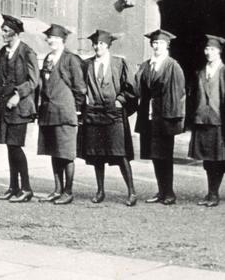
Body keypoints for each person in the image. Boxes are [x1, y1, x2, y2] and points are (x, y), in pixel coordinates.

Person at [81, 30, 138, 206]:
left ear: (108, 46)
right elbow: (81, 86)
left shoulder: (119, 64)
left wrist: (121, 100)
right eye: (96, 44)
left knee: (120, 153)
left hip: (114, 115)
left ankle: (131, 192)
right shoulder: (87, 65)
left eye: (102, 44)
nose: (98, 47)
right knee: (97, 154)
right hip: (94, 114)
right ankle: (100, 191)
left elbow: (131, 88)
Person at [0, 14, 39, 203]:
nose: (2, 34)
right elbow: (2, 77)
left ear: (15, 33)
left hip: (20, 108)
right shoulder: (2, 53)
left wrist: (18, 95)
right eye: (2, 31)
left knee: (16, 147)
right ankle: (13, 187)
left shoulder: (28, 53)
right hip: (4, 107)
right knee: (10, 148)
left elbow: (33, 81)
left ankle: (26, 188)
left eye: (6, 31)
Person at [134, 29, 186, 205]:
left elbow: (179, 92)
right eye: (154, 43)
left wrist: (174, 116)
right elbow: (139, 88)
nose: (157, 46)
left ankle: (169, 192)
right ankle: (161, 190)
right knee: (155, 155)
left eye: (160, 43)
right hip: (149, 116)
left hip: (165, 116)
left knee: (165, 155)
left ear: (167, 45)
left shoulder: (173, 66)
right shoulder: (146, 65)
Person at [37, 24, 86, 205]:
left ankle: (68, 191)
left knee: (66, 153)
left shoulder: (70, 59)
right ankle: (57, 189)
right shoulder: (48, 58)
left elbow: (80, 87)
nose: (52, 41)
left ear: (63, 40)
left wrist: (77, 108)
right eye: (49, 38)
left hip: (65, 112)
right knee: (53, 151)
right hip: (49, 112)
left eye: (56, 38)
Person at [188, 35, 225, 207]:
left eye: (212, 50)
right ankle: (210, 193)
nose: (208, 53)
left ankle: (214, 194)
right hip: (202, 121)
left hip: (219, 123)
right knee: (207, 160)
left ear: (219, 52)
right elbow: (193, 97)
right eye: (207, 49)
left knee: (218, 160)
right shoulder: (200, 72)